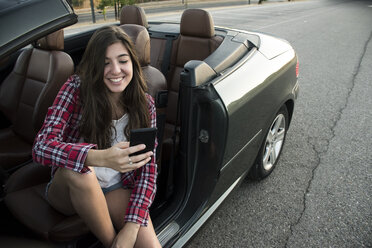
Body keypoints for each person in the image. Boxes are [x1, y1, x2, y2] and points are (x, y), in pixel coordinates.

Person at [32, 26, 161, 248]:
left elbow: (148, 172)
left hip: (115, 188)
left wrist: (130, 230)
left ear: (132, 63)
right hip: (68, 190)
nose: (115, 70)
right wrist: (100, 158)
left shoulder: (145, 104)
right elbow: (41, 147)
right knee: (80, 171)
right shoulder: (75, 89)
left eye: (122, 60)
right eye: (105, 62)